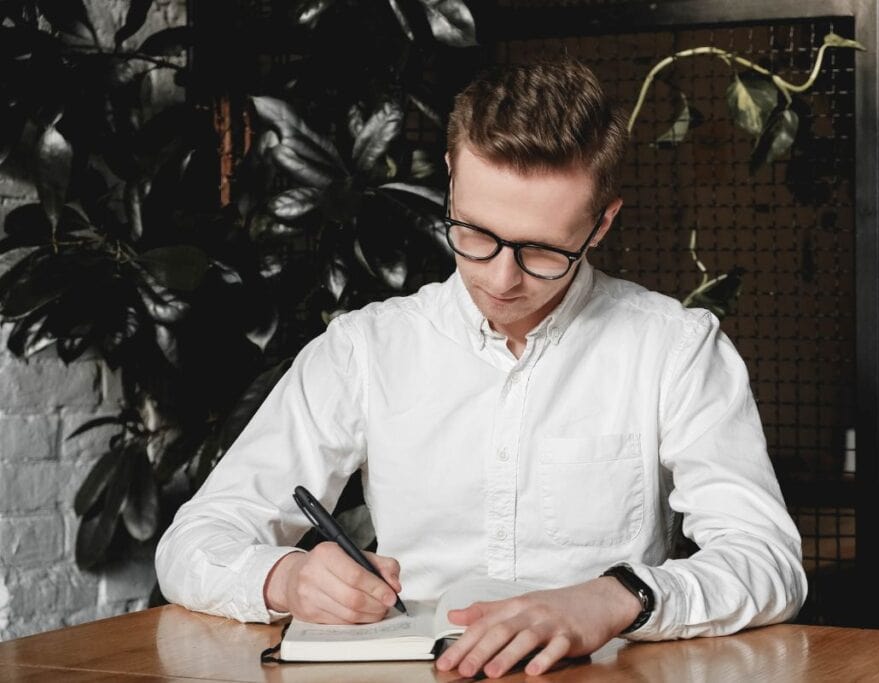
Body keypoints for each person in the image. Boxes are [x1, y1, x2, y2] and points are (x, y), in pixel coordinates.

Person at [155, 56, 806, 679]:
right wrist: (288, 577)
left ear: (602, 223)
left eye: (543, 251)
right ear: (450, 177)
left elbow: (767, 561)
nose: (500, 279)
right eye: (474, 233)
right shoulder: (364, 349)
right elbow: (195, 542)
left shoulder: (674, 348)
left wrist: (616, 597)